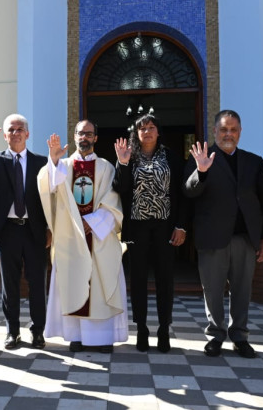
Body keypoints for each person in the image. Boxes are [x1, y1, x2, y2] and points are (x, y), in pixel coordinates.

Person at [183, 110, 263, 359]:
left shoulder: (253, 162)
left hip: (245, 238)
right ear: (214, 131)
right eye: (223, 129)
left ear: (240, 132)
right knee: (212, 290)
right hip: (212, 238)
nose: (228, 134)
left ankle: (240, 336)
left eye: (233, 129)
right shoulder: (200, 158)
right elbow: (188, 192)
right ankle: (215, 335)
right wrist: (201, 172)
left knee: (243, 291)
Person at [38, 121, 127, 353]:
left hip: (97, 237)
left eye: (89, 134)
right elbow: (50, 189)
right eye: (80, 133)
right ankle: (75, 336)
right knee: (73, 282)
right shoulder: (64, 165)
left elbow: (113, 200)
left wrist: (92, 222)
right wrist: (54, 160)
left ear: (96, 138)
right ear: (74, 136)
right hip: (70, 238)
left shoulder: (106, 167)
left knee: (99, 283)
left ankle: (102, 338)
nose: (84, 137)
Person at [0, 115, 49, 350]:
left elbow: (50, 197)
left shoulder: (41, 162)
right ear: (4, 136)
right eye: (11, 130)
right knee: (10, 284)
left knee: (37, 283)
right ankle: (12, 332)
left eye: (20, 129)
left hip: (35, 231)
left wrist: (49, 229)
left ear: (27, 134)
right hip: (7, 232)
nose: (15, 133)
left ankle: (37, 332)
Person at [112, 114, 187, 352]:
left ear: (158, 131)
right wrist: (122, 164)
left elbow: (182, 193)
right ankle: (142, 329)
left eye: (151, 127)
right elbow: (119, 188)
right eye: (142, 128)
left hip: (165, 226)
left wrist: (181, 225)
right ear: (136, 133)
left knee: (165, 280)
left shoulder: (172, 157)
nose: (147, 131)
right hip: (137, 226)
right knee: (139, 279)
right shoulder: (129, 157)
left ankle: (164, 330)